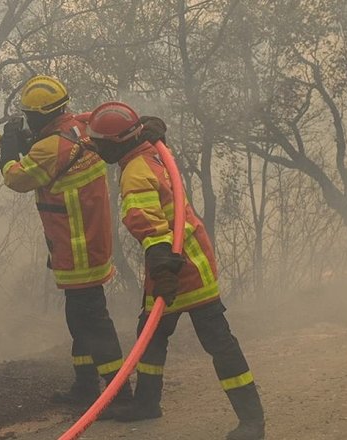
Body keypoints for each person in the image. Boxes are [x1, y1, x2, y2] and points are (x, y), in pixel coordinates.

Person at [85, 101, 265, 440]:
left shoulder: (135, 172)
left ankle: (252, 420)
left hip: (183, 268)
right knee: (150, 336)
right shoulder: (149, 151)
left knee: (219, 342)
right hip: (173, 262)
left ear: (117, 142)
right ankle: (147, 403)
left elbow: (149, 224)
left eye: (101, 143)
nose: (98, 148)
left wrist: (163, 267)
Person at [0, 75, 131, 412]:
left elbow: (16, 178)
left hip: (77, 247)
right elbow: (53, 149)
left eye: (29, 116)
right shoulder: (80, 127)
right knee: (78, 318)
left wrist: (10, 152)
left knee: (93, 321)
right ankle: (85, 387)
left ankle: (119, 395)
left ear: (40, 115)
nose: (28, 120)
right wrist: (26, 140)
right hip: (87, 242)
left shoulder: (49, 148)